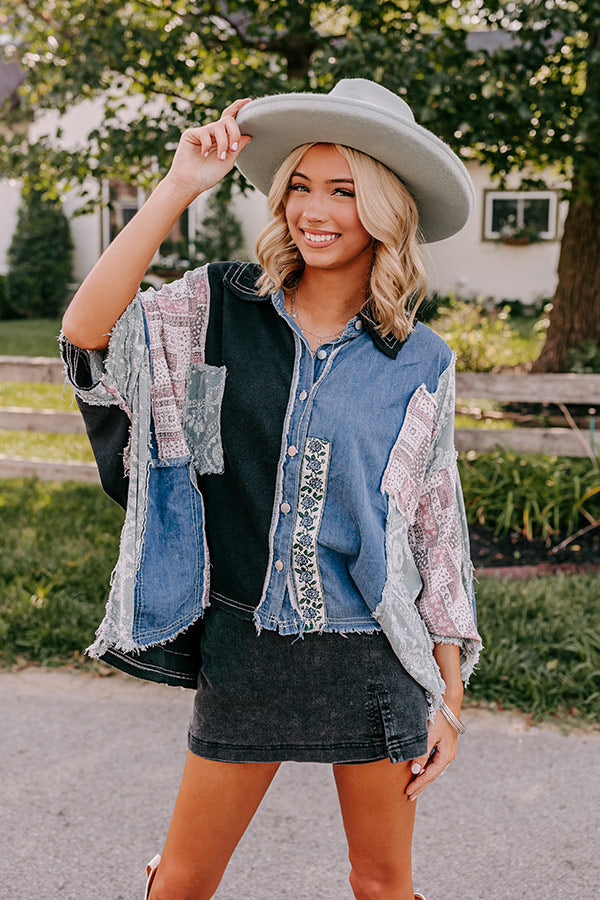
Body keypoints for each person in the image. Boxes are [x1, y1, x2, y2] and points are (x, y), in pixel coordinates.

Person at [61, 78, 483, 900]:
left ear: (387, 211)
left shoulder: (421, 359)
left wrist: (450, 693)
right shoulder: (219, 305)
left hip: (373, 657)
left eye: (344, 191)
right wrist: (181, 184)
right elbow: (90, 336)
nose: (313, 210)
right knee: (181, 882)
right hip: (244, 644)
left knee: (383, 885)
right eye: (300, 186)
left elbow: (432, 529)